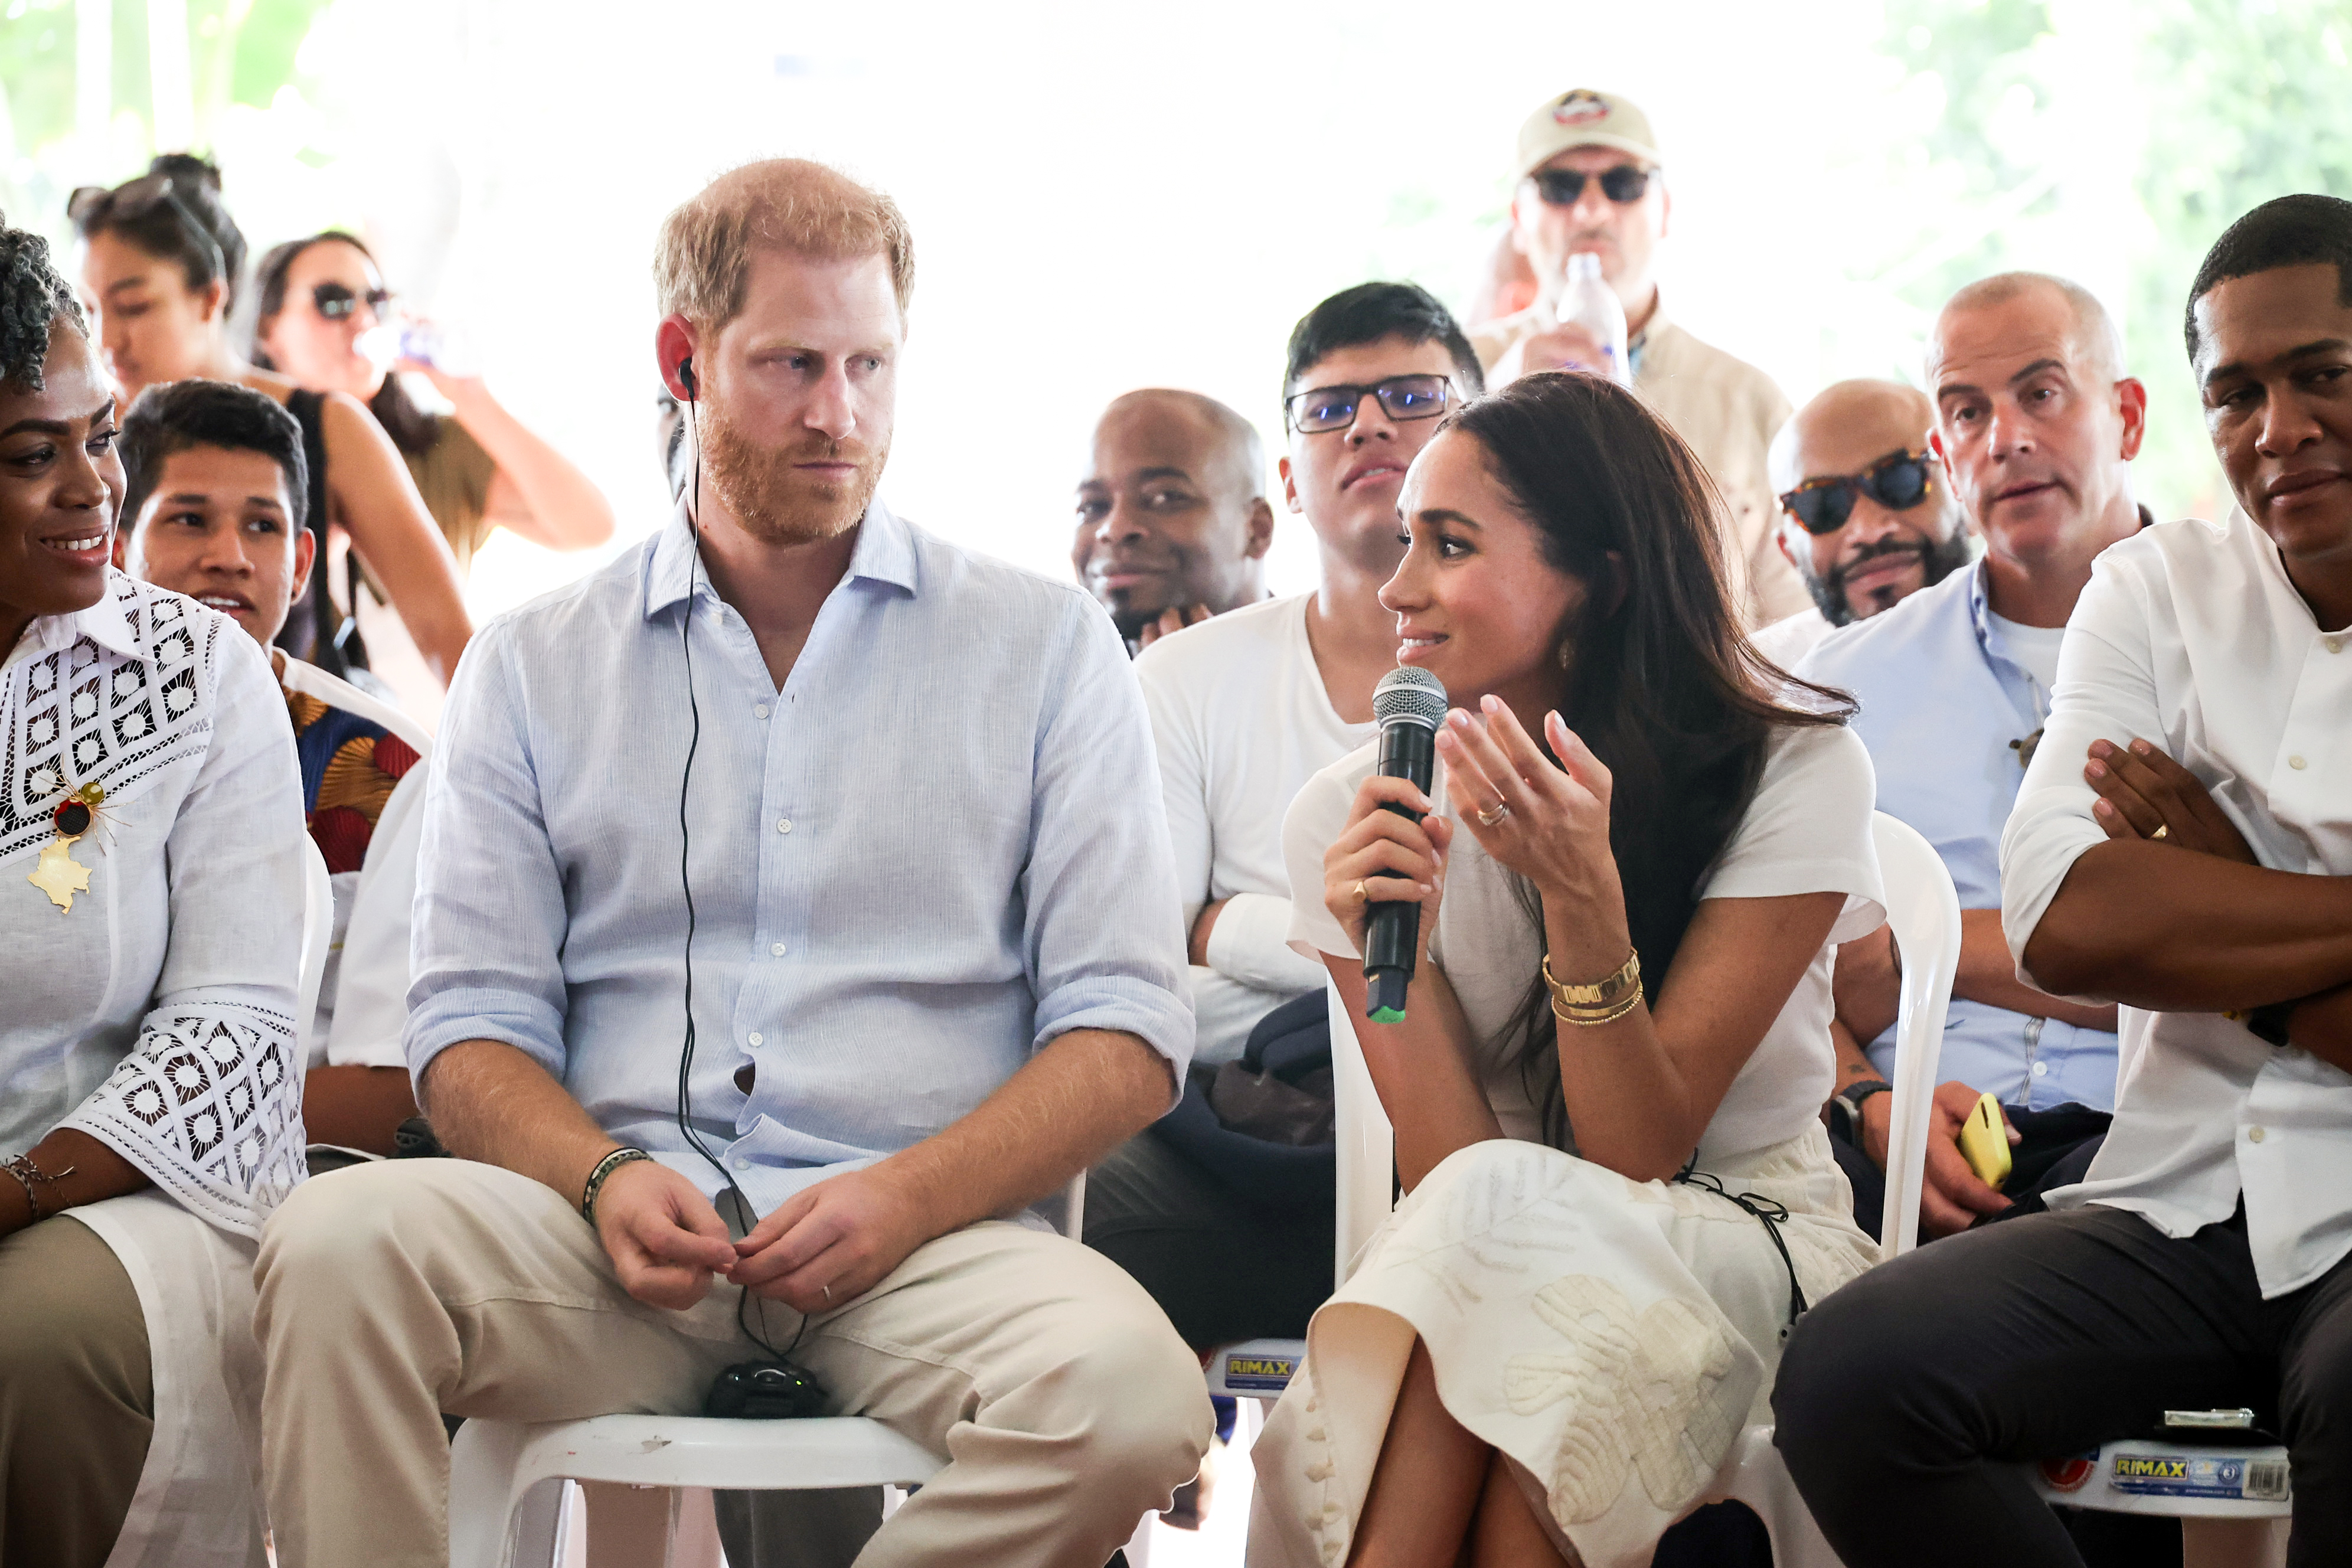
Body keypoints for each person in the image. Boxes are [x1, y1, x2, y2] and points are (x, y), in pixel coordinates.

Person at [250, 158, 1209, 1568]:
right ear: (682, 360)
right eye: (792, 365)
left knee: (1132, 1398)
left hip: (926, 1244)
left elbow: (1129, 1029)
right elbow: (466, 1031)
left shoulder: (1043, 648)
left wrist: (911, 1194)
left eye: (870, 365)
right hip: (607, 1252)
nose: (840, 413)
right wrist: (592, 1177)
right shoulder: (534, 662)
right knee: (332, 1249)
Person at [1774, 194, 2352, 1567]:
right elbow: (2068, 915)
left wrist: (2218, 895)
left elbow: (2114, 928)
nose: (2279, 428)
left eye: (2322, 375)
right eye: (2241, 393)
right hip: (2182, 1192)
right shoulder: (2155, 591)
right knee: (1855, 1377)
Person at [1247, 371, 1884, 1567]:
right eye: (1402, 544)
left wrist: (1581, 900)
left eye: (1449, 544)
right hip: (1488, 1246)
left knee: (1505, 1295)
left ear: (1599, 577)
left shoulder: (1789, 769)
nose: (1397, 589)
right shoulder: (1352, 813)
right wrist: (1408, 958)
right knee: (1499, 1269)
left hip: (1744, 1234)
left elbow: (1640, 1148)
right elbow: (1449, 1174)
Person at [0, 214, 306, 1568]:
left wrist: (13, 1193)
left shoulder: (192, 676)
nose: (90, 487)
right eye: (32, 454)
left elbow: (235, 1026)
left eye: (104, 436)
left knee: (34, 1340)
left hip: (117, 1186)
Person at [1799, 278, 2148, 1242]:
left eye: (2039, 394)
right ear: (1944, 456)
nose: (2002, 438)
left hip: (2163, 1144)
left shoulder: (2245, 642)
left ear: (2123, 415)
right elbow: (1778, 977)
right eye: (1965, 412)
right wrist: (1869, 1101)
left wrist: (1931, 941)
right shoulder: (1838, 687)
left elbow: (2230, 973)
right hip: (1882, 1152)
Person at [113, 377, 430, 1159]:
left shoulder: (386, 774)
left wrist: (116, 1153)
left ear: (299, 563)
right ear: (117, 542)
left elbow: (388, 1092)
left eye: (263, 527)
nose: (229, 558)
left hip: (289, 1182)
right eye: (189, 519)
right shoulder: (49, 732)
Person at [67, 155, 471, 686]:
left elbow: (450, 639)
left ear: (211, 297)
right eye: (91, 312)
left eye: (135, 306)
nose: (108, 341)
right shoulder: (84, 442)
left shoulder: (328, 427)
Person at [1472, 89, 1808, 629]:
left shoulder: (1746, 399)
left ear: (1665, 209)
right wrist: (1488, 404)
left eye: (1623, 184)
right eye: (1559, 187)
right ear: (1518, 215)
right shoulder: (1457, 375)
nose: (1591, 209)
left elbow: (1796, 628)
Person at [250, 230, 616, 573]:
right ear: (268, 330)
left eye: (377, 303)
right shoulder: (242, 462)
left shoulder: (436, 451)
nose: (362, 319)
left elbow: (589, 527)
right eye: (333, 301)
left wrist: (470, 396)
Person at [1750, 378, 1973, 669]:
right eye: (1822, 505)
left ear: (1967, 495)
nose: (1868, 532)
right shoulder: (1764, 692)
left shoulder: (2048, 650)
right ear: (1789, 551)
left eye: (1899, 480)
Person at [1072, 388, 1273, 649]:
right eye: (1092, 506)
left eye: (1164, 498)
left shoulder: (1327, 674)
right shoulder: (1053, 681)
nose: (1115, 529)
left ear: (1257, 529)